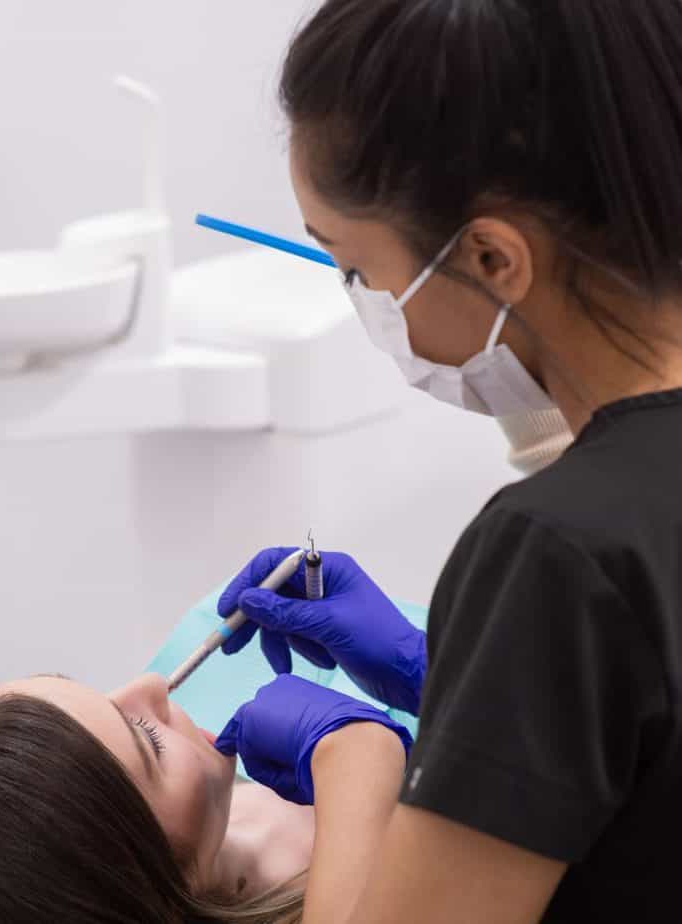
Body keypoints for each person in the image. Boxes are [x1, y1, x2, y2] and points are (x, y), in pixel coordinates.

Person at [210, 2, 682, 922]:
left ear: (491, 257)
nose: (365, 302)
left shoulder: (560, 554)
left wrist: (360, 760)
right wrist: (475, 706)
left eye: (352, 267)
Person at [0, 670, 406, 923]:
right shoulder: (399, 900)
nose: (154, 685)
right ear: (156, 892)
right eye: (149, 741)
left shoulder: (164, 786)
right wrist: (362, 760)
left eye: (95, 690)